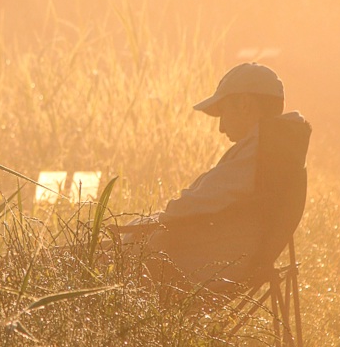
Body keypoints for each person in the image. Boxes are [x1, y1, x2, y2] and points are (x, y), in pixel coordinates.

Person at [119, 62, 309, 288]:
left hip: (200, 267)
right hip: (225, 260)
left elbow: (185, 209)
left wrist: (136, 231)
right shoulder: (274, 152)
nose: (220, 128)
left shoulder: (259, 155)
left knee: (102, 258)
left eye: (223, 112)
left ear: (245, 105)